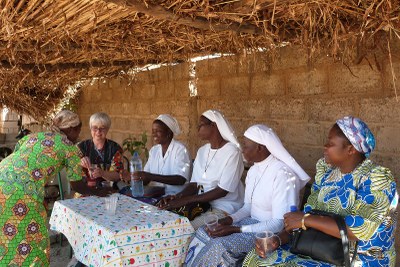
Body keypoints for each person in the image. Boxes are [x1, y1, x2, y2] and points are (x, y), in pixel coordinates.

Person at [243, 116, 398, 267]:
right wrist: (278, 239)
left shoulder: (377, 179)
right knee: (257, 259)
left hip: (361, 258)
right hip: (320, 249)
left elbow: (359, 229)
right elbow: (306, 216)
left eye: (330, 143)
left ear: (350, 149)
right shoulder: (327, 174)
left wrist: (305, 220)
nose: (325, 147)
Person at [184, 124, 310, 267]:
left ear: (260, 148)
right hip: (249, 225)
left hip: (268, 234)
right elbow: (248, 208)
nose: (242, 150)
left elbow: (279, 223)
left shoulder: (282, 174)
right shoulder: (253, 171)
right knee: (204, 233)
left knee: (219, 245)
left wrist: (235, 229)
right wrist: (228, 220)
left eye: (246, 146)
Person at [0, 110, 112, 266]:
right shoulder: (69, 148)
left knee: (5, 231)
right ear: (72, 129)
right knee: (33, 237)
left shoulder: (34, 136)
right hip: (23, 191)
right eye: (79, 129)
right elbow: (77, 184)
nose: (78, 134)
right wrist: (98, 192)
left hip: (2, 177)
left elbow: (20, 157)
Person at [158, 109, 244, 230]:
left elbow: (222, 190)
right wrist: (177, 197)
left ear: (213, 126)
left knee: (186, 229)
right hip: (201, 204)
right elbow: (195, 184)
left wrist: (186, 200)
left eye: (201, 125)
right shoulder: (202, 151)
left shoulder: (232, 152)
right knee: (165, 219)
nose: (197, 129)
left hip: (224, 208)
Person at [125, 114, 191, 196]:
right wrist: (135, 177)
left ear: (169, 133)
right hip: (155, 194)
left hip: (175, 197)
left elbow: (181, 179)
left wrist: (150, 176)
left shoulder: (180, 150)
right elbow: (146, 178)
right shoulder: (154, 151)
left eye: (158, 131)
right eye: (153, 131)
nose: (154, 134)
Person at [79, 112, 124, 187]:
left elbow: (118, 175)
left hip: (108, 190)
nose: (98, 131)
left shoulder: (115, 148)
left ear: (107, 129)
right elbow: (68, 164)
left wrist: (102, 173)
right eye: (95, 127)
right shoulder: (81, 147)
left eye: (102, 128)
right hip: (84, 190)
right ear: (90, 128)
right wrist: (79, 161)